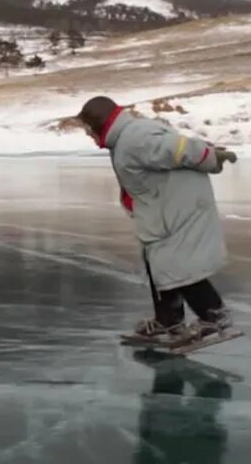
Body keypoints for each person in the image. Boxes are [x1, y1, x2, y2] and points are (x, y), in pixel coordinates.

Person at [76, 96, 238, 343]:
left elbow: (179, 148)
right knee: (158, 261)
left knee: (176, 263)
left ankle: (215, 317)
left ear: (100, 122)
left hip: (179, 207)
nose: (88, 134)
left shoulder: (135, 138)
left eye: (88, 128)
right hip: (161, 207)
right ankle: (169, 319)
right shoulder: (124, 139)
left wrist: (211, 156)